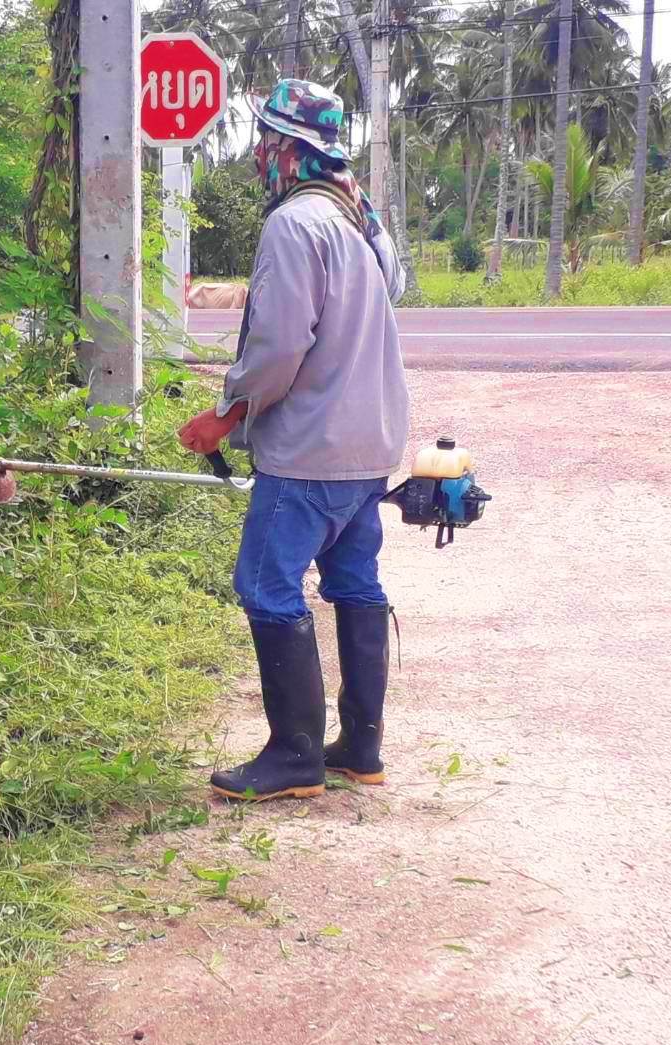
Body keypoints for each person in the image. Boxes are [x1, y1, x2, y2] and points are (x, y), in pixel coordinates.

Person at [177, 78, 409, 802]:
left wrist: (228, 414)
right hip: (369, 445)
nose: (256, 156)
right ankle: (359, 748)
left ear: (281, 147)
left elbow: (278, 344)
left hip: (310, 447)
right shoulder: (361, 220)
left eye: (262, 143)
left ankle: (294, 756)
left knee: (267, 587)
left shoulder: (294, 224)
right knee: (353, 584)